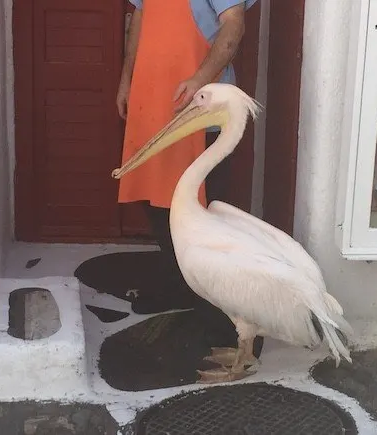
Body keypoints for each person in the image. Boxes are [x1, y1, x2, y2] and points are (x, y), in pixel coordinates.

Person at [116, 0, 258, 313]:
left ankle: (209, 301)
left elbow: (233, 25)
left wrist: (199, 80)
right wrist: (128, 77)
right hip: (151, 100)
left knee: (199, 208)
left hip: (200, 110)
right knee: (153, 198)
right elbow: (140, 16)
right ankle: (177, 284)